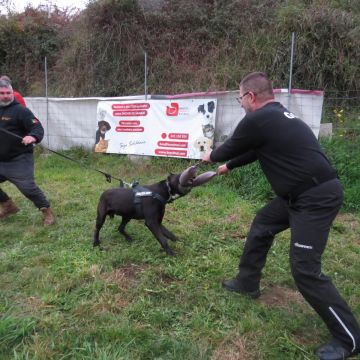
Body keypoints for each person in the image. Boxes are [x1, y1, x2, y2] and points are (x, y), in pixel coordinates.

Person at [202, 72, 360, 360]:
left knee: (304, 269)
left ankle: (349, 339)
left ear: (251, 96)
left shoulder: (258, 119)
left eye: (240, 99)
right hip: (296, 196)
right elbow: (256, 150)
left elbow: (230, 146)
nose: (240, 104)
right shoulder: (277, 116)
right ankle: (247, 282)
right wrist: (229, 167)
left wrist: (212, 157)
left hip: (315, 198)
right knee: (263, 224)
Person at [0, 79, 55, 225]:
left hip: (19, 158)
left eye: (8, 93)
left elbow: (37, 128)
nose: (5, 96)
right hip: (1, 159)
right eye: (2, 93)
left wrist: (33, 136)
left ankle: (47, 212)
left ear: (13, 93)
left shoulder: (21, 111)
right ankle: (8, 205)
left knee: (28, 188)